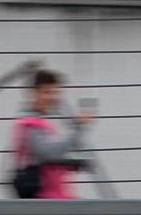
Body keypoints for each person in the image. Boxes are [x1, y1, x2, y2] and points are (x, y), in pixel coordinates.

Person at [9, 69, 95, 199]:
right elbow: (50, 152)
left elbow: (43, 157)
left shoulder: (40, 122)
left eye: (55, 92)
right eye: (47, 92)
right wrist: (79, 126)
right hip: (44, 198)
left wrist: (69, 164)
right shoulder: (29, 124)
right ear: (33, 93)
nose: (53, 97)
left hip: (52, 195)